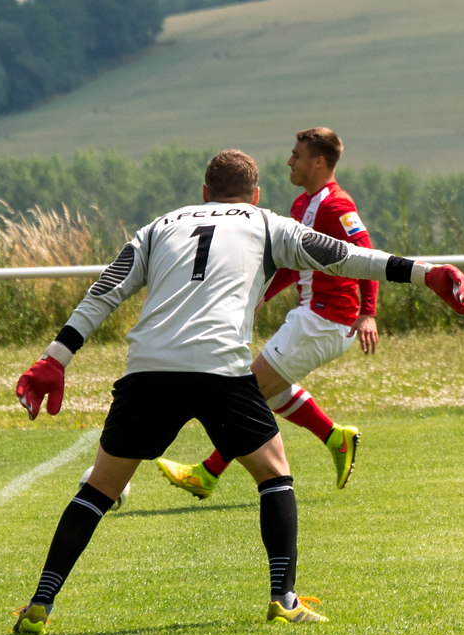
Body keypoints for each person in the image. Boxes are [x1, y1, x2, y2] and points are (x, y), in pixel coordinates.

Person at [11, 149, 464, 634]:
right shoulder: (266, 222)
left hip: (148, 370)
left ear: (204, 193)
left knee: (99, 489)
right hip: (220, 369)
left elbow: (106, 289)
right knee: (274, 472)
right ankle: (283, 598)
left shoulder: (161, 226)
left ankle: (39, 604)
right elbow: (345, 256)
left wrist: (56, 357)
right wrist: (425, 271)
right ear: (255, 193)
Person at [156, 127, 379, 498]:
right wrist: (262, 296)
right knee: (271, 394)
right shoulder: (300, 205)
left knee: (248, 392)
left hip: (327, 321)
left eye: (297, 155)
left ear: (319, 161)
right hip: (311, 317)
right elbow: (292, 265)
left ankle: (207, 473)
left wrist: (368, 312)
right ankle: (334, 437)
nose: (289, 161)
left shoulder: (337, 205)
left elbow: (367, 254)